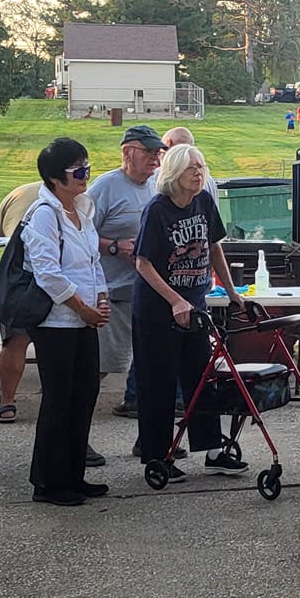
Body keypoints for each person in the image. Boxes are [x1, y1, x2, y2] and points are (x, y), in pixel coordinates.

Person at [131, 142, 240, 482]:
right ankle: (157, 454)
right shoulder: (158, 210)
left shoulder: (204, 202)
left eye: (201, 166)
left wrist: (232, 291)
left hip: (196, 307)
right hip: (156, 312)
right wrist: (174, 300)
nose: (198, 172)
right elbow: (143, 263)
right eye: (192, 167)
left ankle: (212, 449)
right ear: (175, 172)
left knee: (201, 378)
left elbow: (214, 247)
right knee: (158, 384)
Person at [22, 137, 110, 507]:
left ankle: (74, 474)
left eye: (87, 168)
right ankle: (49, 480)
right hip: (57, 322)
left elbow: (92, 261)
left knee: (84, 394)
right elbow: (48, 273)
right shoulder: (44, 214)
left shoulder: (82, 209)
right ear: (56, 179)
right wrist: (81, 307)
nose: (85, 176)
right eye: (78, 171)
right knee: (59, 400)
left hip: (84, 321)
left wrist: (101, 298)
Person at [88, 125, 163, 418]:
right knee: (104, 364)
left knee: (149, 362)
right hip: (114, 292)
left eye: (158, 152)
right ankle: (75, 422)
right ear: (127, 152)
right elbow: (79, 238)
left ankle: (146, 432)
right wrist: (116, 247)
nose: (155, 158)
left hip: (148, 290)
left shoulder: (158, 185)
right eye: (148, 152)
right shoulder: (105, 188)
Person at [0, 176, 42, 423]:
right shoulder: (80, 198)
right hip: (41, 279)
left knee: (15, 341)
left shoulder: (19, 192)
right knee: (54, 342)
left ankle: (7, 401)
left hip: (18, 279)